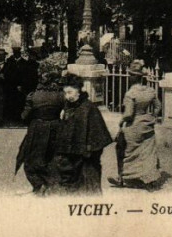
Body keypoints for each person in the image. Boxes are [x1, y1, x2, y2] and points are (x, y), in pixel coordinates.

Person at [53, 75, 113, 194]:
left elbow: (98, 133)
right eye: (65, 93)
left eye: (70, 92)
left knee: (89, 188)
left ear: (79, 90)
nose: (67, 96)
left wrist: (89, 150)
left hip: (87, 157)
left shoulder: (89, 108)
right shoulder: (68, 107)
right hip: (71, 156)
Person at [109, 60, 162, 189]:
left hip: (134, 125)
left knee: (121, 148)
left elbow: (128, 114)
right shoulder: (150, 91)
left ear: (133, 77)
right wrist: (152, 117)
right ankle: (150, 178)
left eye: (130, 74)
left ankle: (120, 177)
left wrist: (121, 122)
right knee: (147, 152)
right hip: (146, 124)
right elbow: (158, 106)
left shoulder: (130, 94)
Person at [15, 70, 64, 195]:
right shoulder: (61, 95)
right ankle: (51, 185)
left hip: (37, 129)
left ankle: (39, 184)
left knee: (31, 158)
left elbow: (24, 116)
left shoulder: (33, 96)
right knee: (53, 158)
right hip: (56, 127)